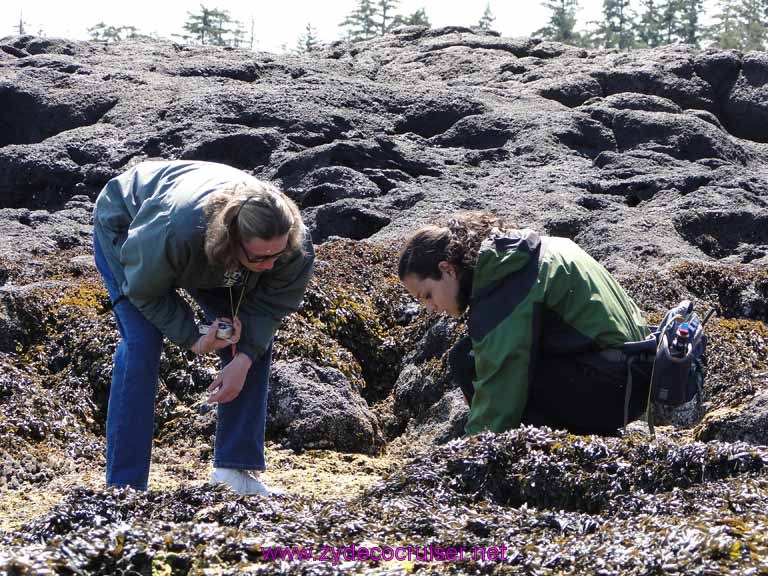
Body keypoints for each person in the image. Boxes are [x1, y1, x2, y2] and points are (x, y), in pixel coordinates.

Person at [92, 159, 315, 494]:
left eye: (276, 256)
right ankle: (125, 486)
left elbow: (270, 305)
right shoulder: (174, 230)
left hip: (203, 250)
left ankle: (234, 471)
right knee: (142, 343)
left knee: (246, 340)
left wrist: (243, 360)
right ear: (233, 242)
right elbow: (145, 291)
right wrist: (191, 336)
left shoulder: (289, 246)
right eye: (259, 259)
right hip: (128, 225)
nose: (270, 267)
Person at [398, 212, 654, 436]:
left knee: (469, 364)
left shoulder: (505, 290)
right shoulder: (523, 254)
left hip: (614, 391)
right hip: (634, 373)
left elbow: (500, 389)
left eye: (427, 295)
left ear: (448, 269)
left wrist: (472, 454)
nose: (430, 308)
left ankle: (528, 451)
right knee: (467, 354)